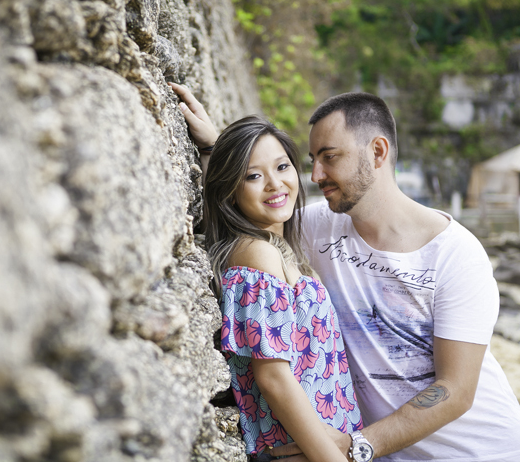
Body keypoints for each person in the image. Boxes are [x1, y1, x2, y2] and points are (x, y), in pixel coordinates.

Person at [171, 82, 520, 461]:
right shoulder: (314, 227)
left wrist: (356, 447)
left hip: (479, 451)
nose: (316, 174)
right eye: (311, 160)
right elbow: (251, 205)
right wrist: (217, 150)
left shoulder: (456, 253)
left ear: (377, 151)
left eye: (330, 156)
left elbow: (456, 389)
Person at [198, 111, 363, 461]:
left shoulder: (281, 250)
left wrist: (215, 145)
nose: (275, 184)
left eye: (283, 167)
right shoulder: (256, 254)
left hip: (330, 443)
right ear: (230, 187)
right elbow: (273, 379)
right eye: (254, 176)